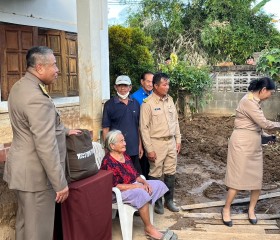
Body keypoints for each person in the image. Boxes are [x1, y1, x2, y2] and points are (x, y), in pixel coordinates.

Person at [3, 46, 80, 240]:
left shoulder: (20, 86)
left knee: (25, 226)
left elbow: (37, 125)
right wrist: (60, 183)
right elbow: (45, 144)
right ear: (39, 67)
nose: (57, 70)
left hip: (24, 172)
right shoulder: (38, 98)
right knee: (38, 232)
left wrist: (65, 130)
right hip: (37, 176)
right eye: (53, 65)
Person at [222, 77, 280, 227]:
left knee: (256, 181)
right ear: (263, 90)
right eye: (271, 93)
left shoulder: (256, 101)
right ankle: (226, 209)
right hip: (241, 144)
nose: (270, 96)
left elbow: (256, 126)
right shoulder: (248, 101)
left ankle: (251, 210)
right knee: (237, 179)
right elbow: (264, 123)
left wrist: (266, 137)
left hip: (254, 144)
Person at [100, 130, 176, 240]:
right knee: (141, 193)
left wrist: (145, 183)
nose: (125, 143)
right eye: (121, 141)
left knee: (158, 184)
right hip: (118, 192)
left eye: (124, 140)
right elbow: (115, 186)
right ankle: (149, 228)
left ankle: (144, 208)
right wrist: (138, 187)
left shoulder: (124, 155)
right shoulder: (108, 162)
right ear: (112, 145)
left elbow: (135, 174)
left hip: (132, 185)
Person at [140, 72, 181, 214]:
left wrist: (178, 139)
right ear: (156, 86)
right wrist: (149, 149)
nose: (167, 87)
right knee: (155, 173)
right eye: (164, 85)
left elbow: (175, 121)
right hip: (156, 143)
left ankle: (169, 201)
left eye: (168, 84)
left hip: (171, 142)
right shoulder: (148, 104)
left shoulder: (170, 100)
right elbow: (144, 128)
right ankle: (157, 203)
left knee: (171, 172)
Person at [102, 75, 143, 174]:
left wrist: (140, 145)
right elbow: (105, 128)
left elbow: (138, 127)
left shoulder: (136, 104)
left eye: (125, 85)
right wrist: (107, 147)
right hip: (117, 150)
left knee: (136, 175)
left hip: (133, 149)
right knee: (122, 177)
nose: (123, 88)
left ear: (130, 87)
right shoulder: (109, 105)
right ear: (115, 87)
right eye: (120, 85)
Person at [132, 71, 154, 179]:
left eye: (152, 82)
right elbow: (136, 122)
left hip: (154, 135)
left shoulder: (155, 95)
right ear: (142, 82)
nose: (150, 84)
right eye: (148, 81)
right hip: (142, 136)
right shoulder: (135, 98)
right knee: (144, 165)